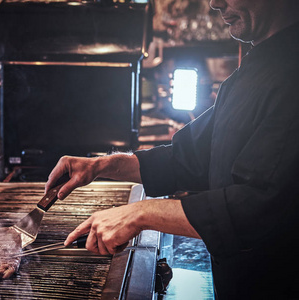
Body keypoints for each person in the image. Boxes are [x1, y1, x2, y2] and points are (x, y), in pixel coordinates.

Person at [45, 0, 299, 298]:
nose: (214, 4)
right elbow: (188, 157)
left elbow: (257, 207)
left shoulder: (291, 74)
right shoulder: (256, 67)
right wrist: (100, 166)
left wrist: (140, 214)